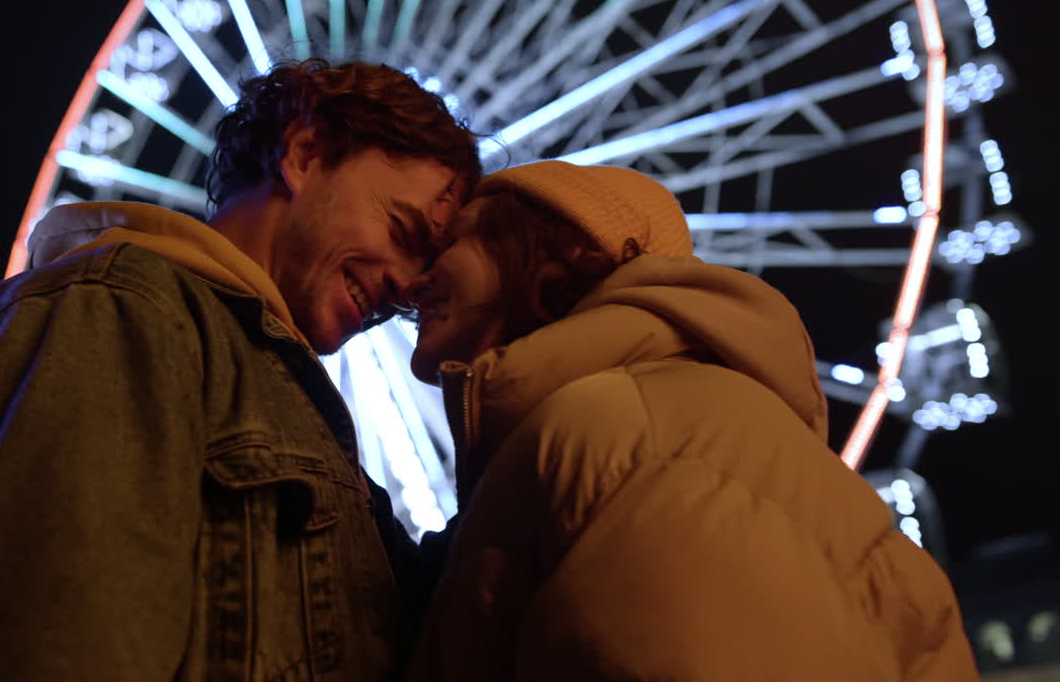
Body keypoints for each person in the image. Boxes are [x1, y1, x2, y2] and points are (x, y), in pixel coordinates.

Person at [0, 58, 481, 681]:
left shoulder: (278, 390)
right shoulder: (117, 312)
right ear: (305, 154)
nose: (406, 289)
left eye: (425, 276)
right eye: (401, 229)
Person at [401, 160, 978, 681]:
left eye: (453, 241)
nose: (412, 281)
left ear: (547, 251)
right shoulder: (653, 421)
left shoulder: (636, 429)